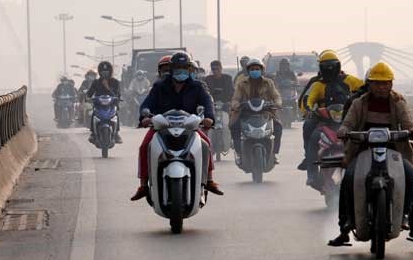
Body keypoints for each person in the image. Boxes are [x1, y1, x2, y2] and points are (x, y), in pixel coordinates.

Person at [328, 62, 413, 248]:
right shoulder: (359, 103)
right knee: (348, 179)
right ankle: (344, 228)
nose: (382, 87)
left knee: (411, 175)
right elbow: (348, 124)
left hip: (394, 151)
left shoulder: (398, 102)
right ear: (369, 84)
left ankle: (411, 223)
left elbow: (407, 123)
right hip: (362, 150)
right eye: (377, 83)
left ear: (391, 84)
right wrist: (343, 131)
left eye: (386, 83)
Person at [131, 52, 224, 201]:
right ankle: (143, 185)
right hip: (161, 127)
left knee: (205, 144)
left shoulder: (197, 86)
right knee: (144, 147)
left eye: (184, 68)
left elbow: (208, 103)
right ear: (171, 69)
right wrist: (144, 117)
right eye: (177, 68)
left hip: (190, 126)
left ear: (189, 69)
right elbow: (146, 104)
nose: (181, 71)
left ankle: (209, 180)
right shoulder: (159, 86)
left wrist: (209, 118)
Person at [299, 50, 364, 179]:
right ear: (321, 68)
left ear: (338, 66)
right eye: (326, 67)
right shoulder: (317, 83)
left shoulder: (350, 80)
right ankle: (311, 169)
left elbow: (366, 91)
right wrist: (311, 111)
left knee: (366, 136)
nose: (330, 69)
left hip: (348, 120)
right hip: (324, 120)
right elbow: (306, 100)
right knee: (309, 129)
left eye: (332, 66)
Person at [230, 58, 283, 164]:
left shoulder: (269, 83)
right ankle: (239, 154)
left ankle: (274, 154)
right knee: (233, 126)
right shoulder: (241, 83)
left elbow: (276, 96)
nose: (255, 71)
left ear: (262, 70)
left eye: (257, 69)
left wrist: (276, 103)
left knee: (278, 126)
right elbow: (236, 98)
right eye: (252, 69)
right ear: (248, 71)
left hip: (266, 112)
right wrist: (237, 105)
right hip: (245, 112)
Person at [86, 61, 123, 144]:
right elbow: (90, 93)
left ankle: (116, 134)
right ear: (100, 72)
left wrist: (107, 88)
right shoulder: (96, 82)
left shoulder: (115, 82)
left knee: (116, 114)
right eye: (103, 72)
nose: (105, 74)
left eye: (107, 72)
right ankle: (92, 133)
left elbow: (118, 94)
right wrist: (88, 98)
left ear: (110, 72)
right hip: (99, 105)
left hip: (111, 105)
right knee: (93, 114)